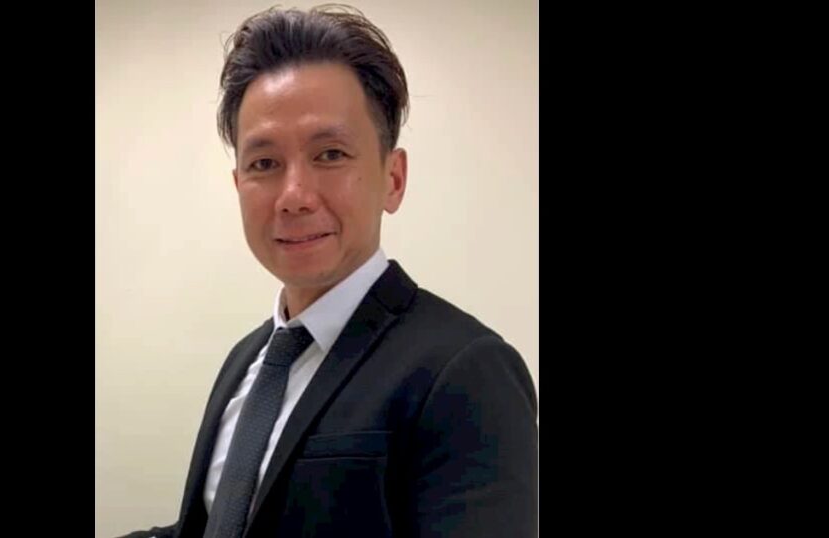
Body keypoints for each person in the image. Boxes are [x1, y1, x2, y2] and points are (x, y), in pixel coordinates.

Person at [122, 5, 537, 537]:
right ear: (239, 185)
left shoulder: (466, 371)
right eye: (264, 164)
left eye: (331, 154)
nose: (293, 195)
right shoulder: (249, 360)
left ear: (393, 179)